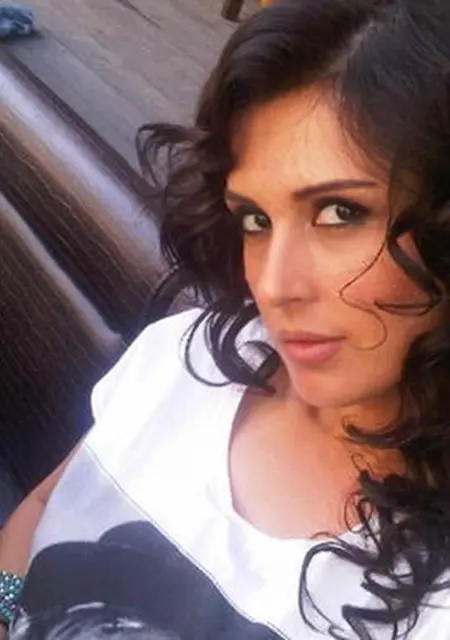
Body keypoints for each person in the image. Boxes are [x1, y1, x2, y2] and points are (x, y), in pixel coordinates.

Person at [1, 0, 450, 638]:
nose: (273, 286)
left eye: (339, 213)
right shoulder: (193, 353)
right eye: (256, 219)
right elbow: (49, 502)